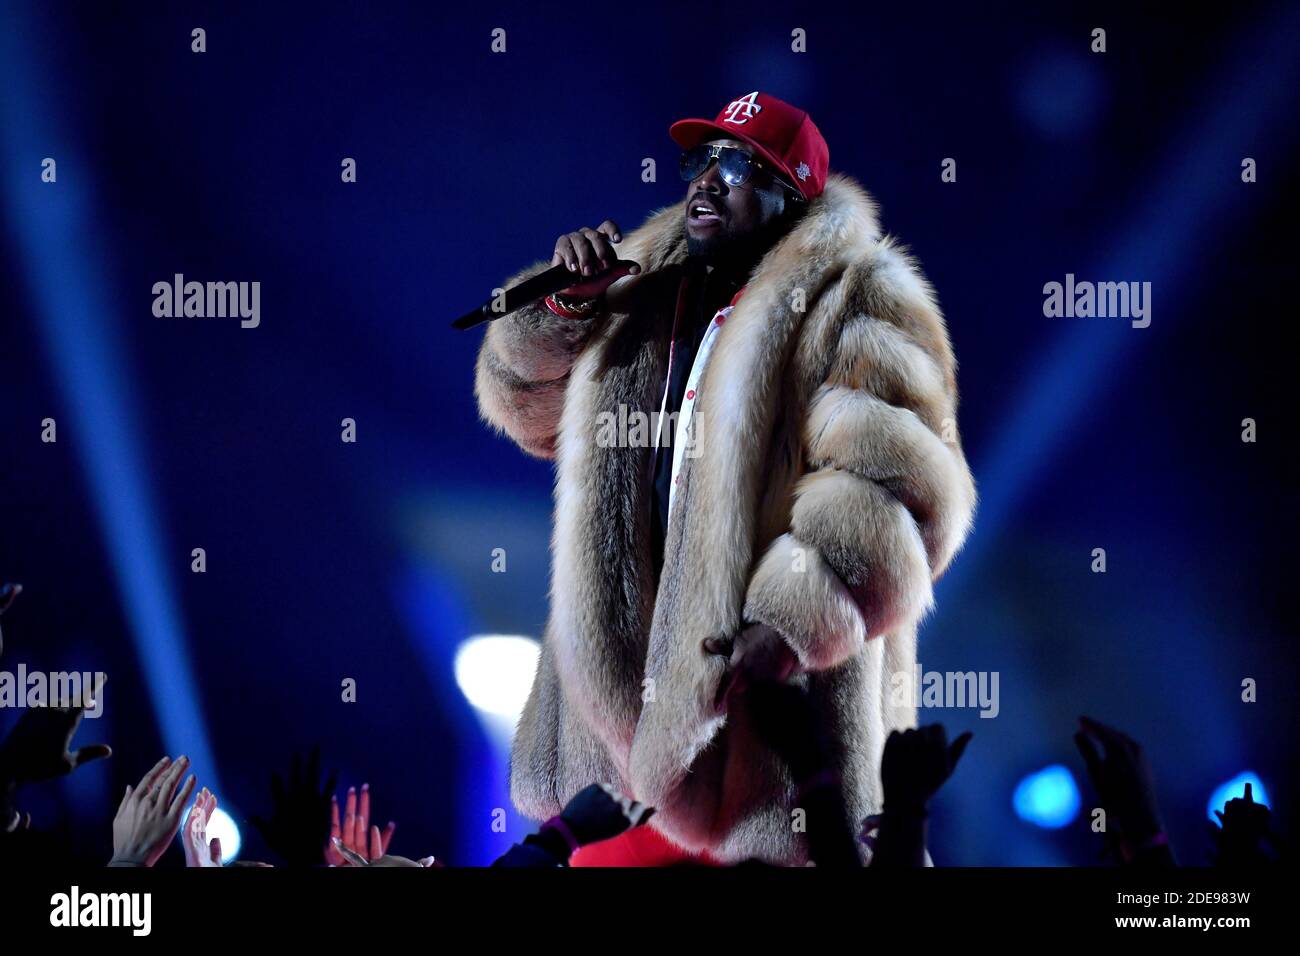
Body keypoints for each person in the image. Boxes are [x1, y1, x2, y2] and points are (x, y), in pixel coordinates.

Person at [475, 90, 977, 865]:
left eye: (739, 165)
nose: (708, 180)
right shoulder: (641, 282)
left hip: (770, 768)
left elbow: (898, 492)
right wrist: (564, 309)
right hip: (611, 768)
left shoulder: (857, 297)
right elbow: (525, 411)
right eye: (700, 160)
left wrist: (782, 629)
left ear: (792, 196)